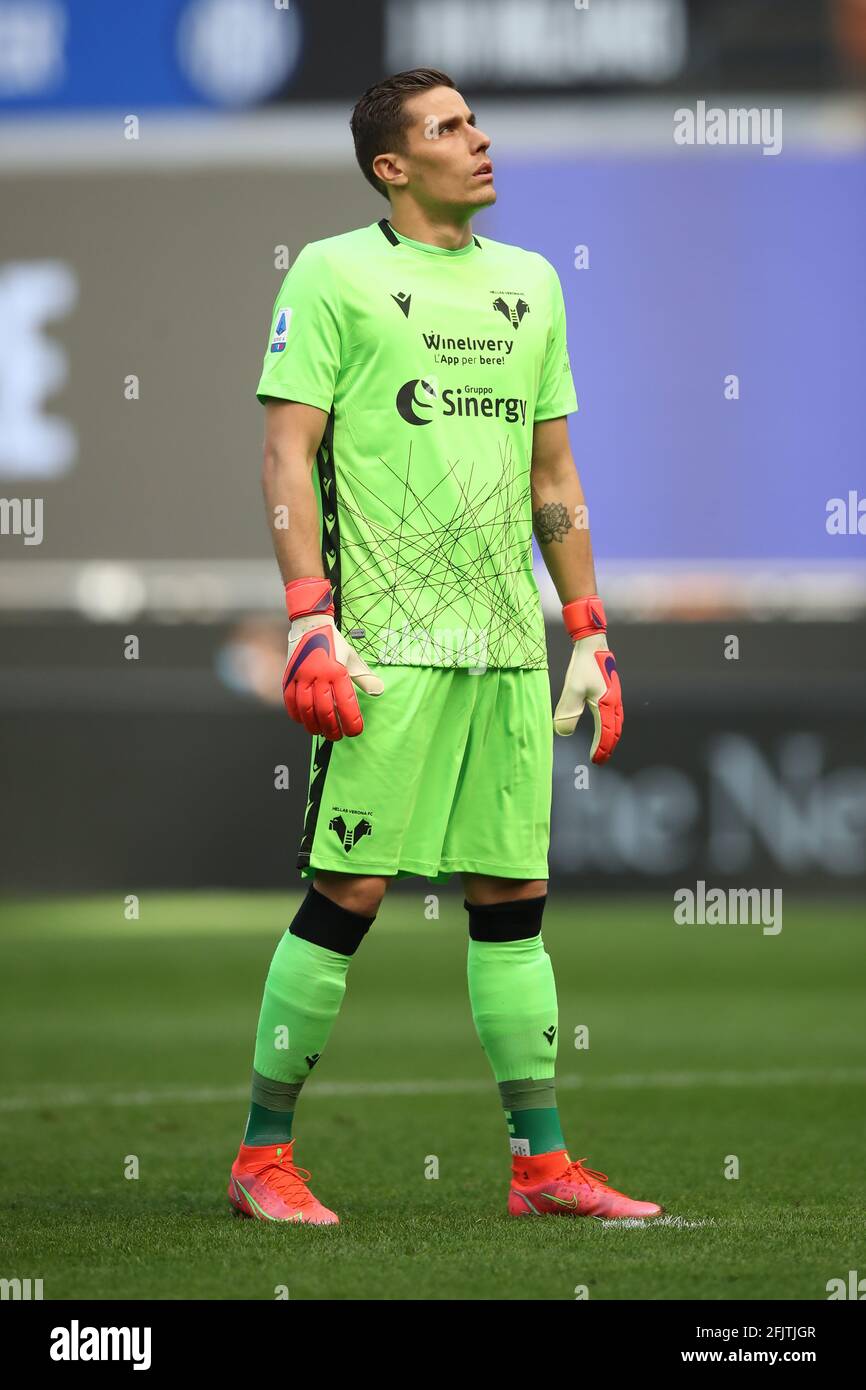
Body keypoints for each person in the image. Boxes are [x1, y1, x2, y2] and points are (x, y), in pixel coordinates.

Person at [227, 67, 661, 1225]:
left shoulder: (528, 283)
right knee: (348, 891)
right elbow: (286, 455)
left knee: (514, 899)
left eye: (473, 121)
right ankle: (262, 1155)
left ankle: (540, 1166)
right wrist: (308, 618)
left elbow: (551, 476)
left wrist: (587, 632)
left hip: (503, 652)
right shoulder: (333, 273)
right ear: (389, 164)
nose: (478, 140)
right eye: (448, 127)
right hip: (381, 647)